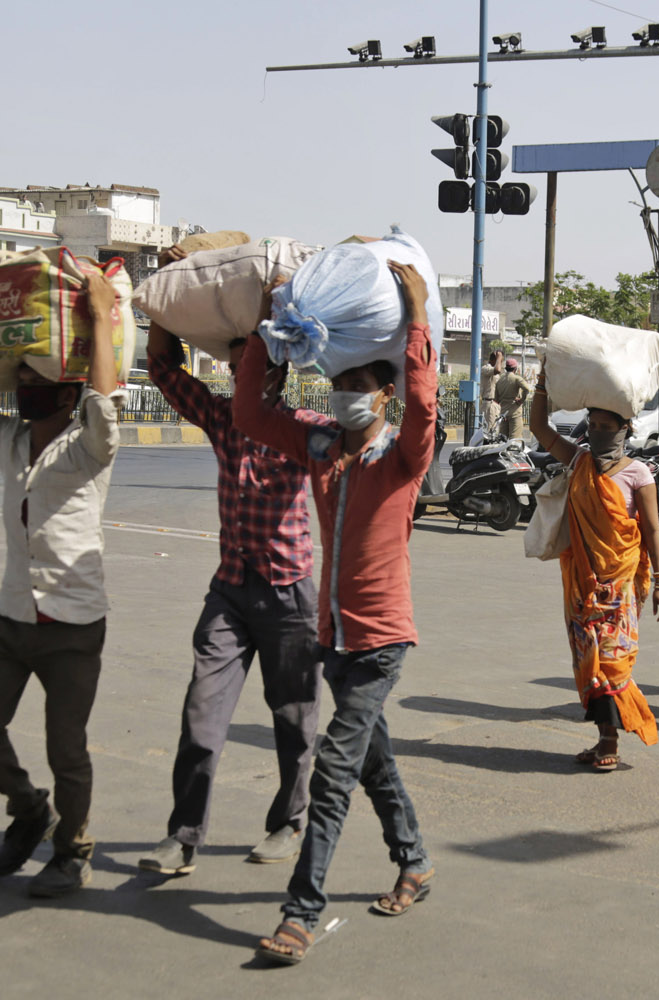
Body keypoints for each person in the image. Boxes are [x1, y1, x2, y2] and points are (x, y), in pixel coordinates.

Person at [240, 261, 436, 965]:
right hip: (335, 639)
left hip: (382, 640)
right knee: (375, 762)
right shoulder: (323, 450)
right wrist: (271, 335)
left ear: (385, 394)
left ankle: (301, 912)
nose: (348, 393)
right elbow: (251, 415)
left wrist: (415, 319)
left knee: (334, 771)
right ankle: (414, 861)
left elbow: (424, 409)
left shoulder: (402, 459)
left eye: (362, 385)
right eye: (342, 382)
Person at [0, 261, 123, 897]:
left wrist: (98, 314)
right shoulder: (9, 441)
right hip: (13, 618)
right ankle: (28, 811)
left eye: (36, 379)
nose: (24, 385)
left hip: (73, 625)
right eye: (20, 379)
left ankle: (73, 850)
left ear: (65, 392)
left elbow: (104, 407)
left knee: (66, 748)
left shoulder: (87, 450)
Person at [136, 253, 323, 876]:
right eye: (237, 361)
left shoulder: (302, 427)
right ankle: (183, 836)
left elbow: (366, 430)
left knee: (295, 722)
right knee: (200, 717)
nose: (239, 370)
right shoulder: (220, 418)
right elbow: (162, 366)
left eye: (252, 360)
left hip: (290, 593)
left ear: (274, 369)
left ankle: (289, 822)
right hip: (231, 592)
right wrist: (160, 296)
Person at [529, 369, 659, 770]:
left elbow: (653, 531)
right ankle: (604, 738)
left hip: (621, 584)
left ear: (625, 429)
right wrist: (543, 381)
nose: (597, 433)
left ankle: (610, 741)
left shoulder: (638, 474)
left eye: (606, 427)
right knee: (588, 659)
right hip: (581, 583)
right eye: (592, 425)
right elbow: (539, 427)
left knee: (612, 660)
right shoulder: (578, 460)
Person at [493, 358, 530, 441]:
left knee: (502, 440)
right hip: (515, 413)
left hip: (503, 414)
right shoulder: (517, 379)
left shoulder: (500, 380)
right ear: (515, 369)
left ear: (506, 368)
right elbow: (527, 389)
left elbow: (496, 399)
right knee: (515, 440)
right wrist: (521, 400)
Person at [480, 350, 503, 434]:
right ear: (494, 360)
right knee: (490, 432)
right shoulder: (486, 368)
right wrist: (499, 357)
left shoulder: (495, 371)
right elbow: (497, 370)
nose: (501, 363)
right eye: (500, 361)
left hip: (495, 404)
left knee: (495, 431)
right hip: (489, 404)